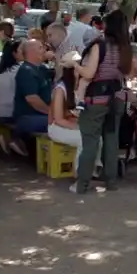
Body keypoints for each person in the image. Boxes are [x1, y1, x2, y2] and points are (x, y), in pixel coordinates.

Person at [73, 9, 132, 193]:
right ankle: (111, 181)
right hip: (118, 98)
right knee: (111, 140)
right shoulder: (126, 47)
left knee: (90, 141)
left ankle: (82, 184)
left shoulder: (100, 45)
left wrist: (74, 64)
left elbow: (89, 73)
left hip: (97, 98)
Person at [47, 54, 92, 184]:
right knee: (84, 139)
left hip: (74, 124)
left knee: (95, 138)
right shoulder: (61, 90)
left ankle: (92, 171)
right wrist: (80, 127)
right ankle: (80, 175)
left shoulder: (82, 85)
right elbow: (59, 119)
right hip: (57, 127)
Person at [10, 39, 52, 146]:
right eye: (40, 48)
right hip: (28, 117)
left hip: (40, 115)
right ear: (31, 52)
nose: (44, 50)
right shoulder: (26, 71)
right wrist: (52, 113)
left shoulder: (42, 69)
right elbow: (32, 99)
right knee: (61, 123)